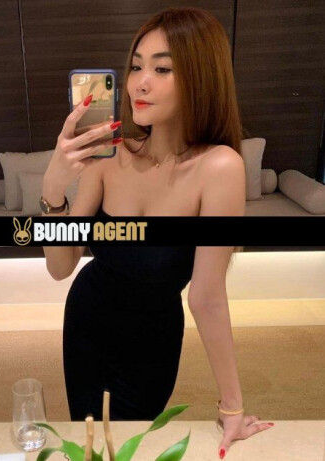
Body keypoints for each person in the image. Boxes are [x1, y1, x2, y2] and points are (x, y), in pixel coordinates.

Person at [41, 7, 272, 459]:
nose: (139, 83)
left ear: (200, 78)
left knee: (129, 445)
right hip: (87, 322)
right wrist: (52, 190)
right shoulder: (111, 153)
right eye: (136, 66)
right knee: (88, 445)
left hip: (152, 342)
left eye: (162, 69)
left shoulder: (218, 167)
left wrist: (232, 406)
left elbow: (206, 297)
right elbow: (59, 266)